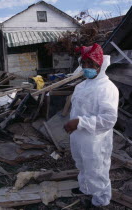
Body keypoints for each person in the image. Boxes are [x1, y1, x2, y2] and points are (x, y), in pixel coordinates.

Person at [64, 43, 119, 207]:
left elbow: (109, 119)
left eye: (91, 64)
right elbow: (76, 109)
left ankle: (100, 201)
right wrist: (74, 124)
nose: (87, 67)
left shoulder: (107, 88)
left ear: (100, 65)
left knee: (97, 170)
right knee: (82, 165)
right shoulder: (81, 86)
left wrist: (80, 122)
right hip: (79, 137)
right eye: (84, 64)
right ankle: (86, 189)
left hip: (96, 140)